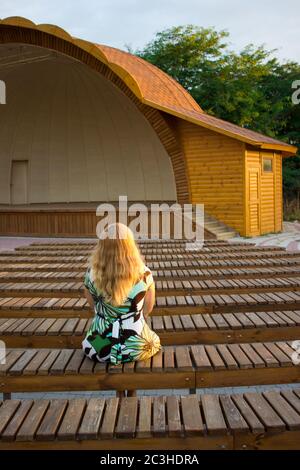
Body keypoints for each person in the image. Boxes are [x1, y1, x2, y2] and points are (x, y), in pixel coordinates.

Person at [82, 222, 161, 398]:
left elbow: (93, 307)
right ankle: (131, 392)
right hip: (137, 345)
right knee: (149, 340)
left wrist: (108, 315)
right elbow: (148, 308)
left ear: (101, 247)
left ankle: (119, 393)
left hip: (99, 346)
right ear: (130, 245)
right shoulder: (145, 274)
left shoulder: (90, 274)